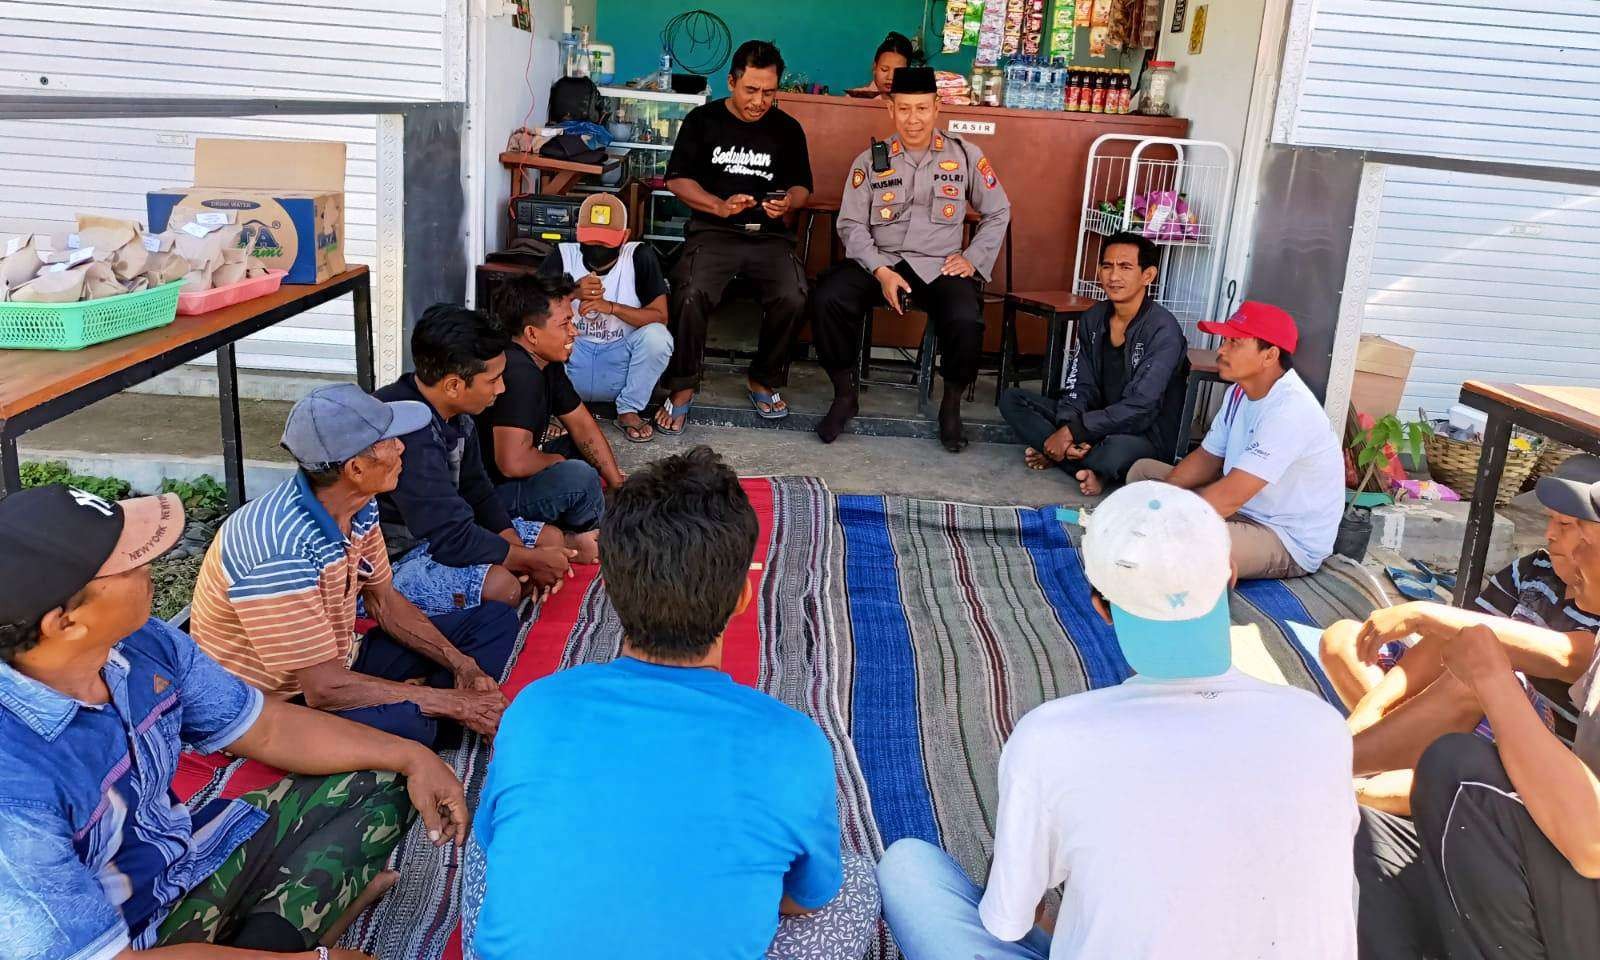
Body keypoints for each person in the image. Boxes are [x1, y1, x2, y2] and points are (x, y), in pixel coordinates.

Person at [877, 481, 1357, 959]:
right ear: (1231, 575)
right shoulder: (1320, 726)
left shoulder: (1052, 738)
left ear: (1101, 608)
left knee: (907, 867)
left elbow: (1009, 921)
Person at [0, 483, 471, 959]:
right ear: (64, 623)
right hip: (122, 942)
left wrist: (414, 757)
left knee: (388, 773)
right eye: (132, 564)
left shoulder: (142, 645)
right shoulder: (12, 783)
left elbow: (265, 727)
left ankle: (282, 936)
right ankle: (297, 932)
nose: (152, 568)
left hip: (185, 863)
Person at [462, 447, 880, 960]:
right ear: (743, 600)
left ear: (610, 590)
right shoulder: (792, 741)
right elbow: (804, 897)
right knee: (855, 881)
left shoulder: (535, 706)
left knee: (495, 845)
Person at [1354, 463, 1600, 959]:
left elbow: (1592, 845)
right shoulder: (1540, 573)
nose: (1555, 538)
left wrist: (1492, 679)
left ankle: (1331, 767)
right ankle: (1331, 765)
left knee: (1458, 768)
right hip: (1565, 850)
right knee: (1362, 836)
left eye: (1573, 529)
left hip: (1583, 874)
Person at [191, 383, 516, 748]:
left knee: (495, 621)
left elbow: (384, 601)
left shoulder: (359, 504)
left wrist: (462, 666)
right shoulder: (278, 549)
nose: (402, 447)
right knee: (412, 727)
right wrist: (450, 702)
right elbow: (322, 689)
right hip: (279, 705)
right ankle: (442, 711)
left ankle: (442, 705)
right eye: (390, 442)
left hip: (340, 660)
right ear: (356, 468)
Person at [1319, 454, 1600, 815]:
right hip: (1476, 720)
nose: (1549, 533)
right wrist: (1370, 711)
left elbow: (1563, 655)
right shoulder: (1534, 569)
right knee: (1344, 640)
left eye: (1564, 523)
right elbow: (1446, 640)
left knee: (1476, 674)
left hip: (1534, 756)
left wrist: (1423, 613)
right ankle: (1382, 749)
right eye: (1550, 520)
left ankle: (1342, 766)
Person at [810, 65, 1012, 453]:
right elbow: (851, 225)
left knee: (967, 319)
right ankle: (844, 393)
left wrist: (972, 258)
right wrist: (882, 271)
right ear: (890, 110)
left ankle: (951, 404)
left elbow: (999, 211)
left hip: (939, 265)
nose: (913, 118)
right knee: (827, 297)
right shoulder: (870, 161)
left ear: (937, 107)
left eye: (921, 108)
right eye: (904, 109)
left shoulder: (966, 155)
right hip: (880, 261)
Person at [373, 305, 576, 617]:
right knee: (502, 587)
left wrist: (516, 549)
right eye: (493, 380)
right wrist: (523, 560)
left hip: (443, 532)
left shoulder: (453, 411)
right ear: (454, 385)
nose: (502, 389)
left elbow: (477, 489)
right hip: (394, 556)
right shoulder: (406, 434)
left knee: (550, 539)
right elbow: (449, 537)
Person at [655, 39, 813, 434]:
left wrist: (787, 203)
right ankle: (684, 384)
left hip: (770, 236)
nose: (760, 101)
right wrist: (719, 205)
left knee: (794, 294)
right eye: (751, 90)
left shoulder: (788, 130)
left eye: (769, 92)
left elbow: (802, 188)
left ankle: (763, 377)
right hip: (714, 231)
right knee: (689, 292)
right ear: (731, 82)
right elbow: (677, 179)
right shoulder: (702, 121)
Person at [1125, 301, 1343, 579]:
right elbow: (1206, 458)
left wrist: (1161, 516)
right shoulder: (1239, 394)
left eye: (1235, 342)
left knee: (1181, 543)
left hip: (1283, 538)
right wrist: (1158, 502)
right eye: (1225, 339)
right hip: (1242, 510)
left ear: (1269, 355)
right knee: (1143, 474)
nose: (1221, 349)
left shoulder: (1290, 411)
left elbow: (1231, 495)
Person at [999, 232, 1188, 495]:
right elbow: (1080, 384)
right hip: (1096, 424)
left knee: (1115, 452)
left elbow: (1141, 406)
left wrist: (1071, 434)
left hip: (1142, 434)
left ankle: (1064, 456)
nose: (1113, 276)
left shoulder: (1163, 330)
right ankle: (1086, 466)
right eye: (1107, 266)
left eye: (1125, 267)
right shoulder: (1094, 318)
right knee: (1012, 399)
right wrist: (1070, 427)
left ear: (1148, 275)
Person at [479, 273, 623, 546]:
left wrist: (618, 484)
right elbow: (512, 463)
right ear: (532, 334)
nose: (575, 331)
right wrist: (558, 462)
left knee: (578, 448)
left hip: (511, 475)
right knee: (580, 476)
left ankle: (595, 510)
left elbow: (582, 425)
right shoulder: (520, 373)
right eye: (565, 323)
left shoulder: (547, 364)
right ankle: (594, 533)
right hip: (490, 496)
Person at [537, 194, 672, 443]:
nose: (598, 246)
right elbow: (533, 315)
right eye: (591, 239)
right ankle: (557, 408)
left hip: (618, 363)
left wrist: (610, 307)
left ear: (625, 235)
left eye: (605, 241)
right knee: (536, 333)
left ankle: (629, 409)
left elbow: (660, 316)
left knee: (658, 337)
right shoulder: (562, 255)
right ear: (577, 232)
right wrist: (571, 292)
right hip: (571, 359)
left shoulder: (639, 256)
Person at [848, 31, 916, 97]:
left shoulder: (914, 104)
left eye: (898, 72)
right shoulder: (855, 98)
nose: (890, 77)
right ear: (874, 68)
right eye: (884, 69)